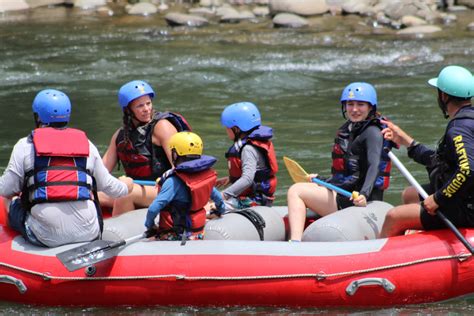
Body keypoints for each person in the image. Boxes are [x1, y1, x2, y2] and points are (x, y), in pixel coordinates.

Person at [0, 89, 133, 248]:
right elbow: (113, 188)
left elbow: (5, 189)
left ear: (38, 117)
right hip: (89, 233)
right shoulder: (87, 145)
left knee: (9, 200)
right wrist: (127, 184)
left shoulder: (24, 146)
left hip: (47, 237)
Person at [287, 82, 394, 241]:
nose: (354, 109)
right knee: (308, 186)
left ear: (371, 107)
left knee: (296, 190)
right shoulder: (350, 129)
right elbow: (347, 174)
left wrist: (364, 194)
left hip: (357, 200)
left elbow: (374, 166)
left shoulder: (372, 132)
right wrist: (322, 180)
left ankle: (295, 243)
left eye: (360, 104)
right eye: (350, 104)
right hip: (346, 194)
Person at [380, 65, 474, 237]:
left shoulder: (458, 129)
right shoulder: (468, 121)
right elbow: (442, 162)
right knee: (409, 195)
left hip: (467, 207)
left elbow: (467, 170)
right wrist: (406, 141)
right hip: (466, 195)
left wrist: (438, 198)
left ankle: (376, 260)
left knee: (394, 216)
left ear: (443, 96)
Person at [101, 80, 190, 216]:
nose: (146, 109)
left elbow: (180, 168)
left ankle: (117, 235)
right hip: (136, 188)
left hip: (164, 189)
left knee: (125, 193)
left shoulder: (162, 127)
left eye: (148, 103)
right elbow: (101, 171)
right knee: (93, 194)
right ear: (128, 109)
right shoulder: (120, 135)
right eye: (140, 106)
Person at [144, 131, 225, 241]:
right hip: (198, 232)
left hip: (177, 234)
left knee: (149, 240)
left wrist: (150, 226)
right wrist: (220, 211)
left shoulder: (173, 181)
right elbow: (219, 199)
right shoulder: (203, 176)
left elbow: (153, 209)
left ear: (175, 154)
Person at [219, 102, 278, 210]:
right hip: (257, 198)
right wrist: (231, 179)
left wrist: (223, 195)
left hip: (253, 201)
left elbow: (247, 179)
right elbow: (256, 173)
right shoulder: (255, 144)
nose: (226, 130)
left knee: (209, 206)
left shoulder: (247, 149)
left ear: (236, 129)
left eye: (227, 128)